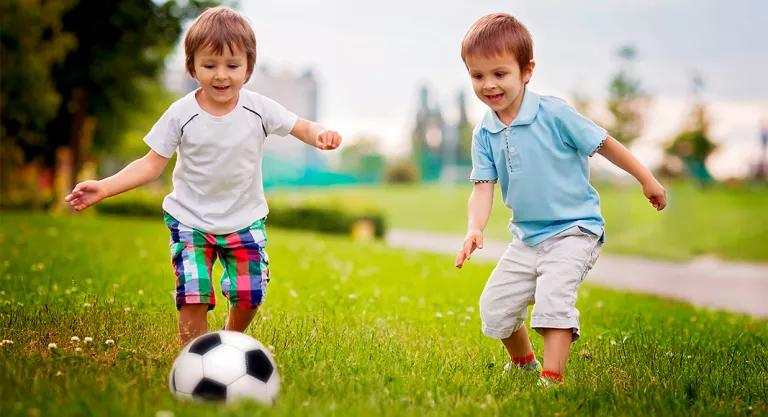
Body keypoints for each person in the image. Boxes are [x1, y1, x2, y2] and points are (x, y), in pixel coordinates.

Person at [65, 6, 342, 346]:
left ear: (248, 68)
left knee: (250, 295)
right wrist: (104, 188)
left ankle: (228, 343)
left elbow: (302, 126)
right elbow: (151, 164)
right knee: (193, 294)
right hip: (190, 220)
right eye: (210, 65)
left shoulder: (259, 108)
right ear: (193, 67)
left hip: (244, 220)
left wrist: (320, 135)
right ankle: (194, 359)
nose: (221, 75)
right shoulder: (181, 114)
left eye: (232, 66)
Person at [454, 13, 666, 385]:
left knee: (553, 298)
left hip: (575, 229)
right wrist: (475, 227)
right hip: (527, 237)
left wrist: (645, 178)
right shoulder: (484, 132)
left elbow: (604, 144)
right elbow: (483, 186)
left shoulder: (553, 113)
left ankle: (552, 380)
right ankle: (524, 363)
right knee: (495, 307)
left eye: (499, 74)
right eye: (477, 75)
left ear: (527, 71)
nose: (488, 85)